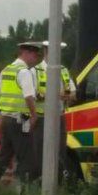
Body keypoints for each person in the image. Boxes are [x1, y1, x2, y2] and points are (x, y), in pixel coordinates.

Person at [0, 41, 42, 188]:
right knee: (27, 158)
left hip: (6, 119)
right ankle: (25, 193)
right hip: (19, 120)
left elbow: (0, 94)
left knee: (4, 157)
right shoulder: (24, 72)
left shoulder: (6, 70)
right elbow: (28, 96)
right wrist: (34, 115)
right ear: (27, 53)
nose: (36, 59)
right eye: (35, 55)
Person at [33, 41, 76, 175]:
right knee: (40, 152)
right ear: (46, 52)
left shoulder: (63, 70)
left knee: (60, 151)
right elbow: (34, 95)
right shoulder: (35, 71)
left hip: (59, 117)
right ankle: (39, 181)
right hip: (42, 118)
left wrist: (67, 96)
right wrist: (58, 95)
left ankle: (59, 181)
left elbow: (73, 93)